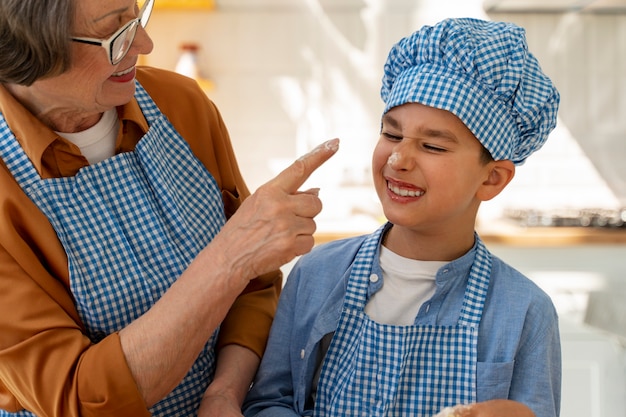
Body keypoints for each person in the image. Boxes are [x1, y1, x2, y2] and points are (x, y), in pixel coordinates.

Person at [0, 0, 339, 416]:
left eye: (137, 16)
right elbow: (79, 399)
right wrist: (228, 258)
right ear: (25, 51)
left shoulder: (182, 104)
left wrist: (224, 393)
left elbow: (255, 285)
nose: (144, 43)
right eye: (114, 33)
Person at [242, 17, 561, 417]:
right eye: (391, 134)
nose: (398, 159)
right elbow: (271, 401)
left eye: (432, 145)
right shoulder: (316, 274)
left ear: (492, 178)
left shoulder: (525, 311)